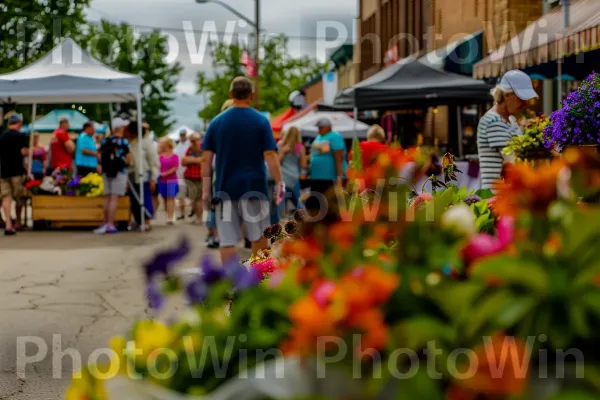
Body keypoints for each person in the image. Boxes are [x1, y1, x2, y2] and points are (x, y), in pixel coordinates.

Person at [202, 76, 283, 262]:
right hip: (254, 187)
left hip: (224, 188)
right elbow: (270, 155)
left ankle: (232, 284)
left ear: (231, 94)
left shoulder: (216, 123)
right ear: (252, 96)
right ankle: (259, 279)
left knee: (227, 240)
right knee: (259, 236)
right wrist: (280, 182)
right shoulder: (261, 121)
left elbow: (205, 160)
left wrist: (206, 190)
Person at [477, 70, 538, 190]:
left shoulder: (510, 120)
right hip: (496, 198)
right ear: (506, 95)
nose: (525, 103)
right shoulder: (493, 121)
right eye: (521, 98)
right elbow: (514, 160)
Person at [95, 118, 132, 235]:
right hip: (119, 171)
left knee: (107, 197)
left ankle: (105, 223)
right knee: (114, 198)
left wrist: (106, 165)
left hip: (107, 171)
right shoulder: (124, 142)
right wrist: (123, 162)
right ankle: (110, 224)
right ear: (119, 127)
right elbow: (129, 159)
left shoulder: (105, 141)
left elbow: (99, 156)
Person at [306, 118, 347, 212]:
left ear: (328, 127)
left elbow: (339, 158)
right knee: (316, 204)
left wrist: (339, 177)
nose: (318, 129)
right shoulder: (318, 137)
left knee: (328, 204)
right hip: (317, 178)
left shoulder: (335, 136)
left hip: (329, 178)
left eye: (321, 127)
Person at [125, 121, 159, 231]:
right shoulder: (129, 143)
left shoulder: (146, 143)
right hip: (131, 174)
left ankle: (146, 221)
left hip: (143, 174)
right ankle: (138, 220)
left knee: (144, 198)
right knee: (134, 200)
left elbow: (153, 161)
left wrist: (153, 178)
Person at [271, 126, 307, 223]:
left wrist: (282, 152)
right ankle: (307, 222)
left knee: (279, 205)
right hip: (294, 178)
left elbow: (276, 162)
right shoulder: (299, 146)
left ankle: (272, 226)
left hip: (282, 178)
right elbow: (303, 165)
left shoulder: (281, 144)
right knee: (298, 202)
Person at [0, 113, 29, 235]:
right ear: (20, 123)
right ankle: (17, 221)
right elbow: (24, 152)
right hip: (17, 171)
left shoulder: (2, 136)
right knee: (19, 197)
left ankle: (8, 224)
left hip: (3, 171)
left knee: (6, 197)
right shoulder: (21, 136)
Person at [182, 133, 204, 225]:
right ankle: (196, 217)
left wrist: (190, 159)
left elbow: (203, 160)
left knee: (198, 199)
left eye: (194, 140)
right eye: (191, 140)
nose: (192, 142)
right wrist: (195, 159)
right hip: (189, 176)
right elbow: (183, 161)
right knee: (193, 198)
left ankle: (200, 218)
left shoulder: (203, 147)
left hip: (199, 176)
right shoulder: (189, 149)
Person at [158, 137, 180, 224]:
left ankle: (171, 217)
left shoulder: (175, 156)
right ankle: (168, 215)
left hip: (172, 180)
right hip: (162, 180)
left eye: (162, 143)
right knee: (165, 199)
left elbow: (175, 167)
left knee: (171, 198)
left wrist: (165, 173)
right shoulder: (160, 156)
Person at [174, 129, 190, 220]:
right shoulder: (178, 147)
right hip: (180, 173)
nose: (182, 136)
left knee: (191, 193)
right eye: (181, 135)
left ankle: (193, 210)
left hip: (189, 173)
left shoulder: (189, 145)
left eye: (183, 135)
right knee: (181, 194)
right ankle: (182, 213)